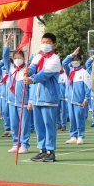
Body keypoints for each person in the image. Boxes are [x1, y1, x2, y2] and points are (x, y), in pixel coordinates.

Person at [24, 32, 62, 162]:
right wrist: (28, 70)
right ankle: (42, 150)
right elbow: (33, 67)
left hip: (48, 98)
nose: (45, 45)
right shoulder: (38, 56)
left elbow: (44, 75)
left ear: (54, 45)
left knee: (48, 125)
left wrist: (32, 79)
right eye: (43, 42)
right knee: (39, 126)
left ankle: (50, 151)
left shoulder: (55, 59)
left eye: (48, 43)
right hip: (36, 97)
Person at [62, 48, 91, 145]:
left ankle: (80, 136)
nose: (75, 62)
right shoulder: (69, 71)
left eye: (76, 60)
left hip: (79, 101)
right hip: (70, 100)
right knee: (72, 118)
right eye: (73, 60)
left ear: (81, 61)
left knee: (79, 118)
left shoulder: (84, 72)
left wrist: (86, 99)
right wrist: (72, 55)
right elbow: (64, 63)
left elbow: (87, 87)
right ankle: (73, 136)